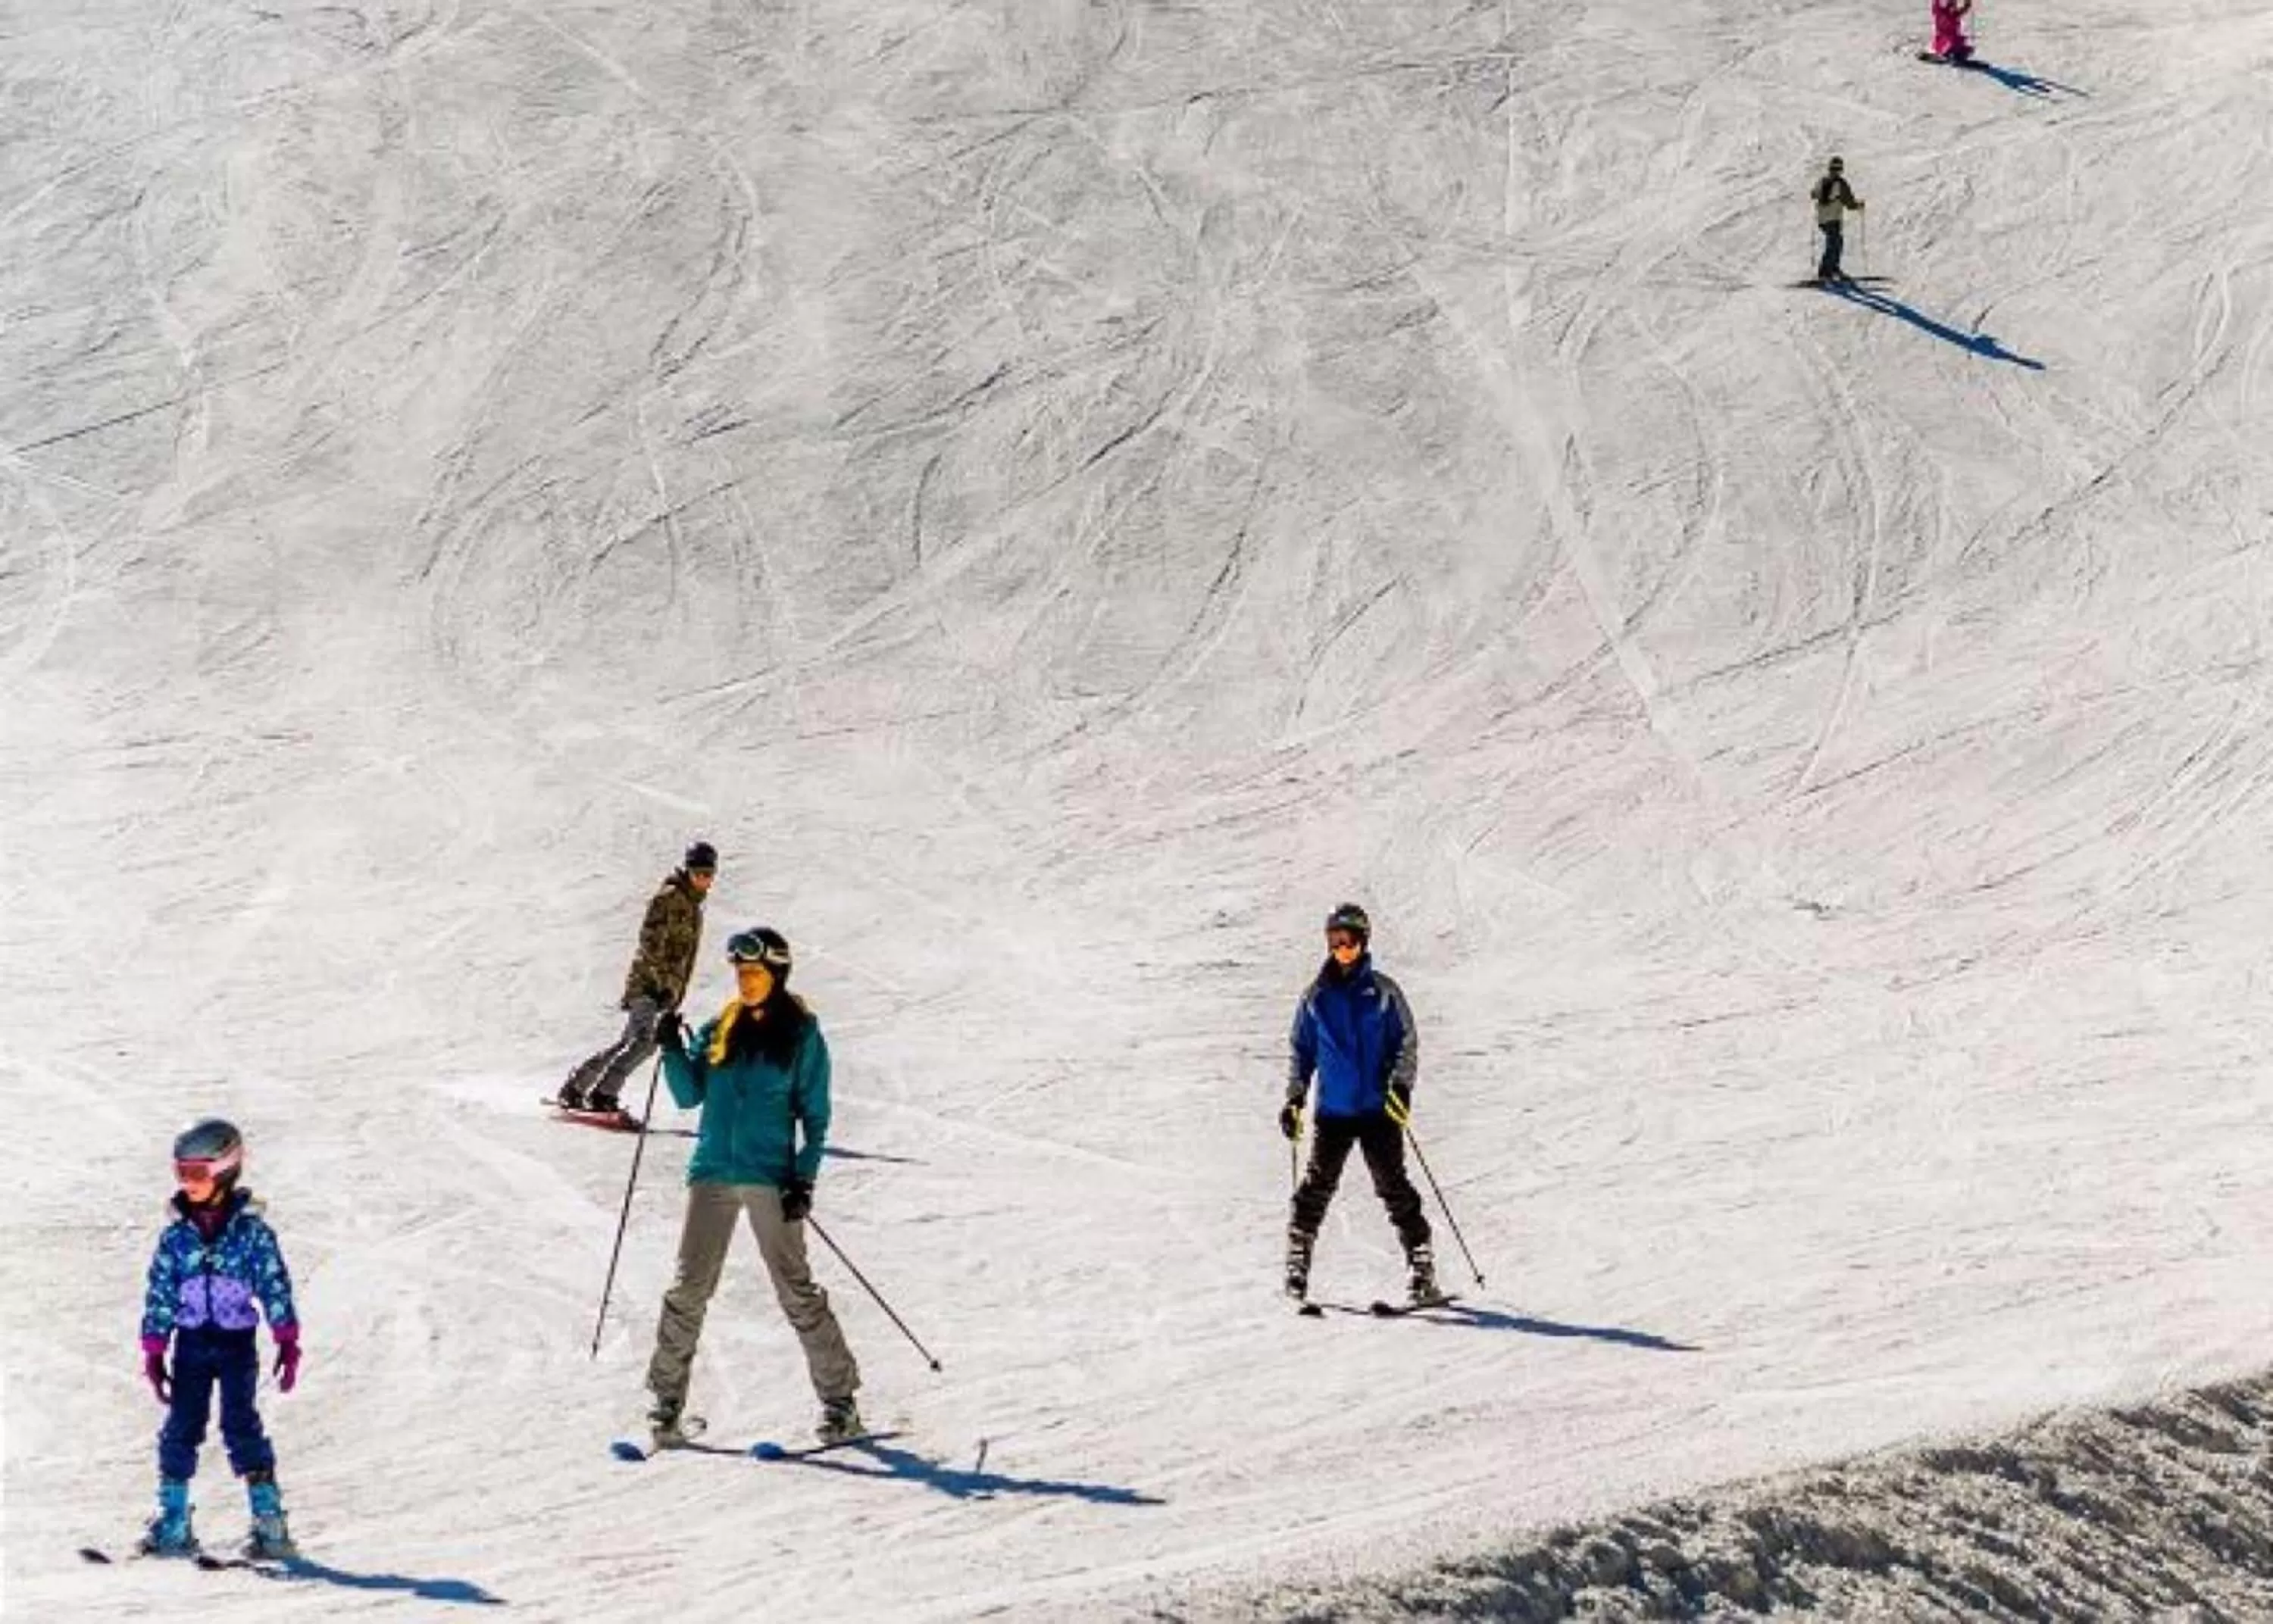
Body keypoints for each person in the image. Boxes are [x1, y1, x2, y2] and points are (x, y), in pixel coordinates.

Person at [640, 926, 864, 1449]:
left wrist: (803, 1178)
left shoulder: (802, 1035)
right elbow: (688, 1095)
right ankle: (666, 1404)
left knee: (795, 1291)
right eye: (741, 972)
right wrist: (671, 1048)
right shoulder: (721, 1027)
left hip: (769, 1178)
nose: (746, 981)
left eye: (756, 972)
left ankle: (841, 1404)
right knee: (688, 1289)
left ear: (777, 975)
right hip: (713, 1171)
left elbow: (816, 1117)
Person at [137, 1119, 301, 1560]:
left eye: (197, 1173)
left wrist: (286, 1338)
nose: (187, 1183)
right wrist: (154, 1348)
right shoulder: (176, 1237)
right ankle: (173, 1523)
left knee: (239, 1425)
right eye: (181, 1173)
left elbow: (274, 1285)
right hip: (190, 1344)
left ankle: (270, 1523)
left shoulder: (251, 1234)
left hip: (235, 1345)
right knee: (180, 1428)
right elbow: (160, 1293)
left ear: (225, 1170)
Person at [1279, 903, 1440, 1308]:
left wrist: (1401, 1088)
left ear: (1363, 942)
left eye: (1348, 942)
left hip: (1377, 1110)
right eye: (1334, 942)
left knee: (1393, 1186)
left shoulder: (1384, 993)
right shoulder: (1316, 997)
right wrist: (1295, 1097)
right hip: (1334, 1112)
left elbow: (1406, 1042)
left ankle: (1421, 1265)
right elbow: (1302, 1050)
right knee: (1316, 1187)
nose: (1341, 950)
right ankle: (1297, 1262)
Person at [558, 841, 717, 1116]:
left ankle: (591, 1089)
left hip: (665, 991)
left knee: (644, 1043)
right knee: (639, 1041)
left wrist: (674, 994)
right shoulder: (669, 898)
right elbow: (650, 944)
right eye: (698, 873)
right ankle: (591, 1090)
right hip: (648, 984)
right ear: (688, 871)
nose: (704, 879)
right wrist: (660, 984)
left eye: (709, 873)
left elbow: (685, 959)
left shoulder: (694, 908)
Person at [1812, 157, 1865, 285]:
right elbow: (1849, 203)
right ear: (1841, 169)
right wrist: (1859, 205)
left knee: (1836, 243)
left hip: (1822, 219)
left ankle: (1833, 268)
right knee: (1834, 244)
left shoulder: (1822, 181)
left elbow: (1813, 194)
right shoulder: (1840, 184)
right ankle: (1825, 272)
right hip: (1833, 218)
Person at [1931, 0, 1974, 64]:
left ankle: (1957, 55)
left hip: (1954, 41)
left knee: (1963, 48)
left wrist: (1967, 4)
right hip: (1943, 40)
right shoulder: (1941, 12)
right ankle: (1948, 54)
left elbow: (1964, 9)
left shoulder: (1954, 14)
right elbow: (1937, 5)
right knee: (1950, 46)